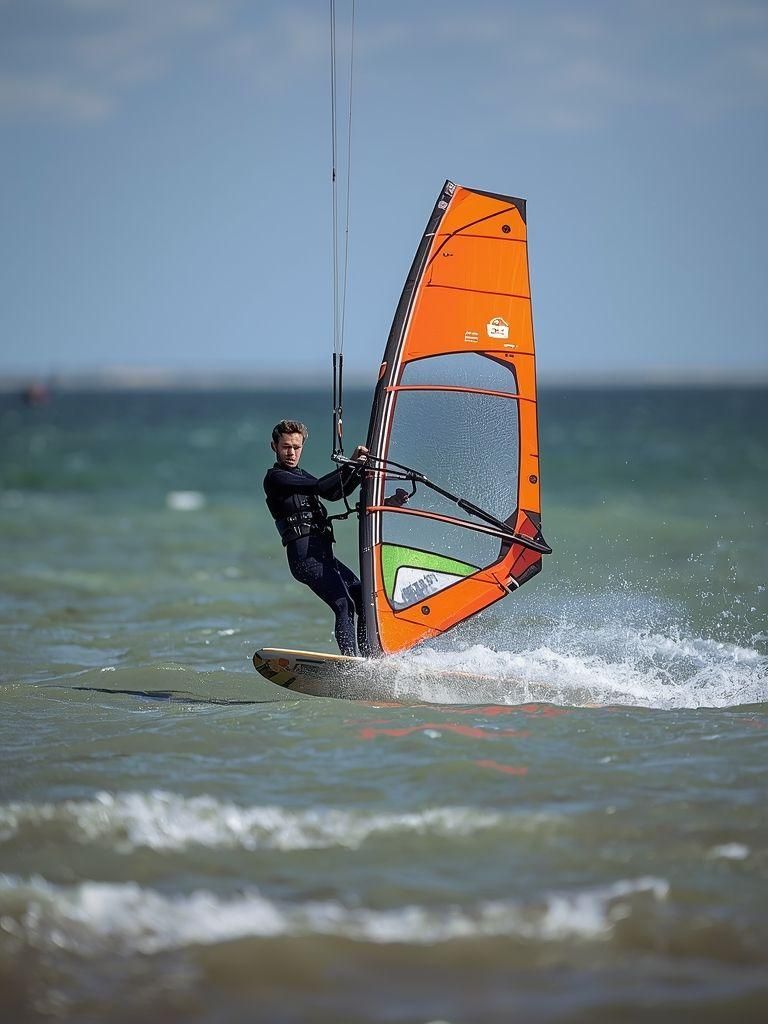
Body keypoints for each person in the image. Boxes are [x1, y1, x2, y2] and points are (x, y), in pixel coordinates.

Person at [263, 419, 370, 656]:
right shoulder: (276, 478)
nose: (291, 452)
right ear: (274, 447)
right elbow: (322, 486)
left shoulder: (301, 475)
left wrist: (359, 468)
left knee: (362, 598)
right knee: (343, 604)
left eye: (296, 447)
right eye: (286, 447)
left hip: (324, 556)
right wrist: (352, 463)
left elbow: (334, 492)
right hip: (305, 559)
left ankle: (369, 659)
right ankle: (351, 663)